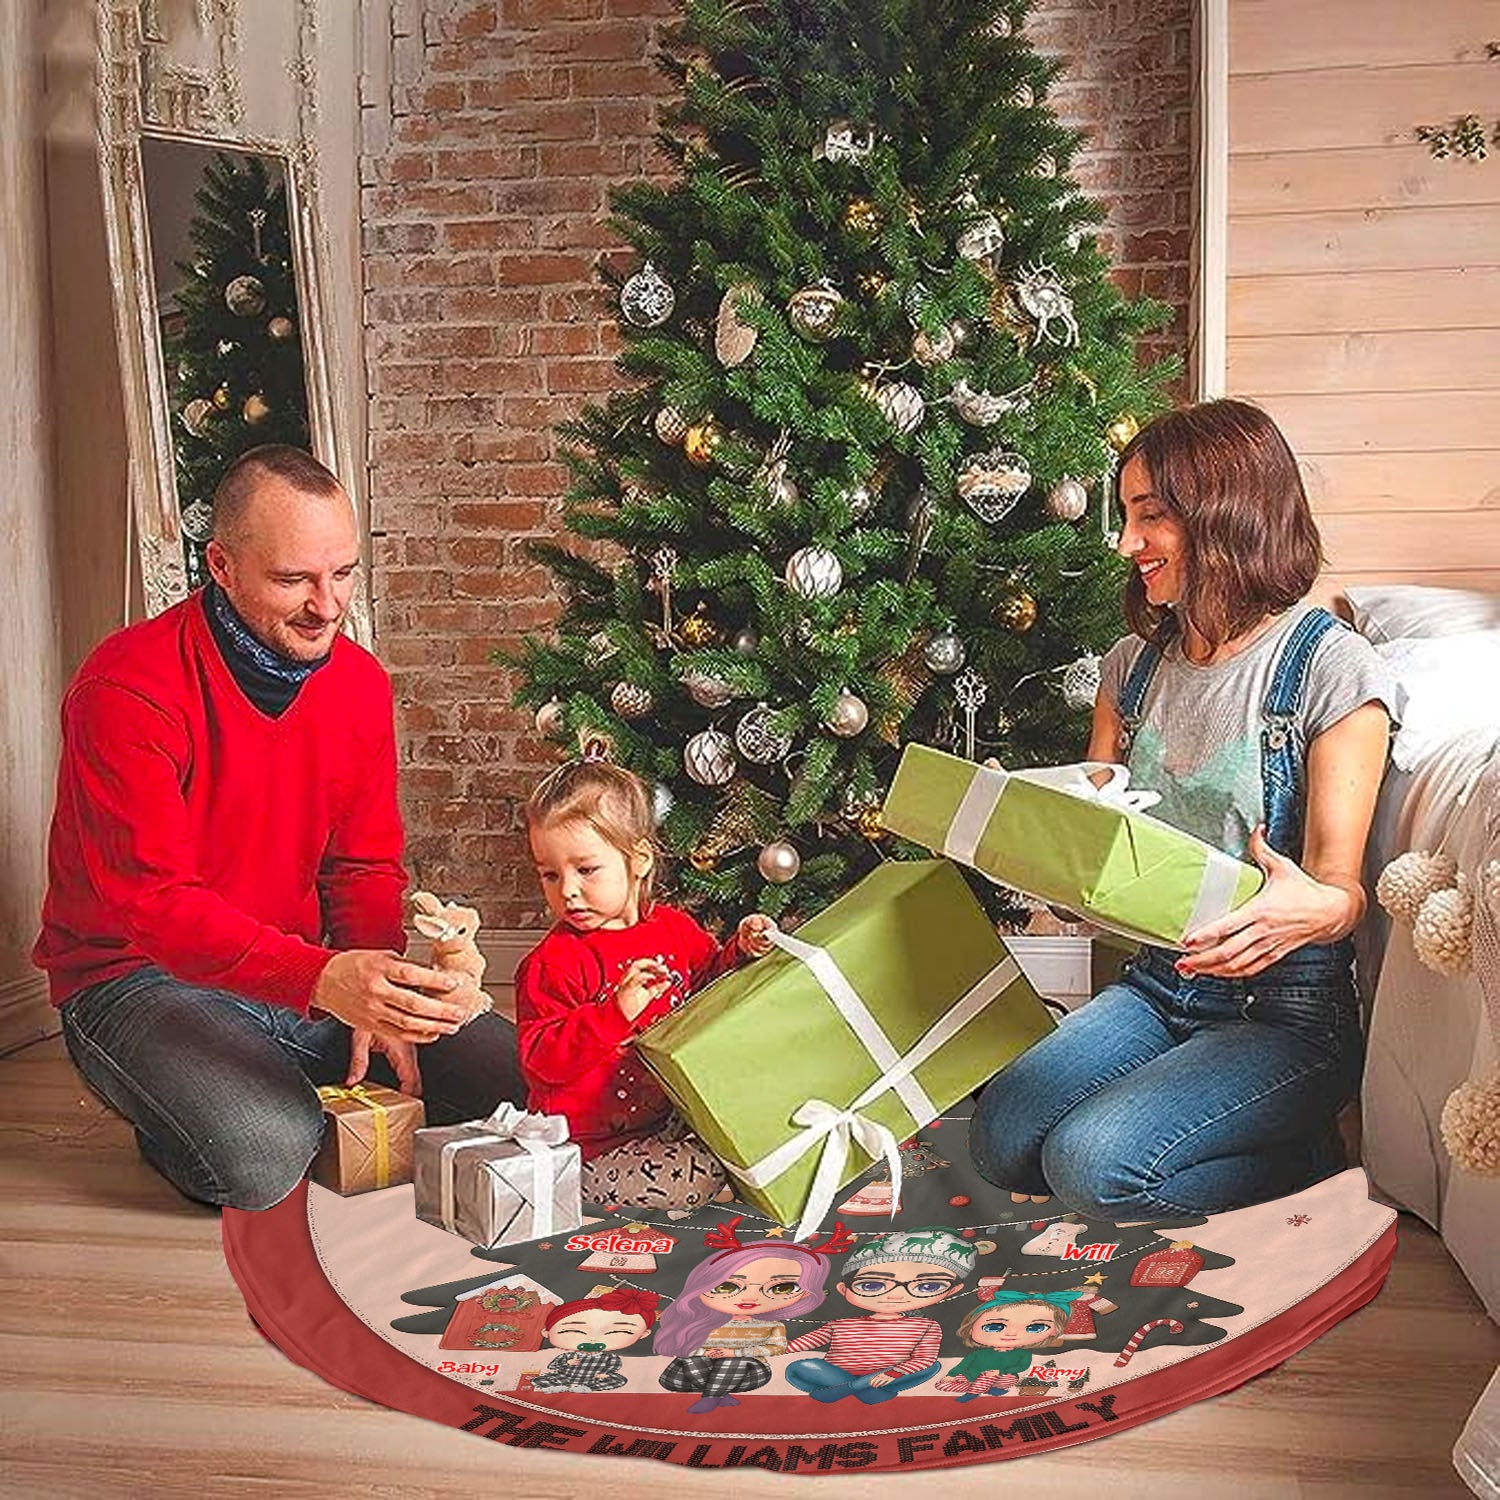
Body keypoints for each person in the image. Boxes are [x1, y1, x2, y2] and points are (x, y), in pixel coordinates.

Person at [34, 446, 521, 1210]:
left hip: (296, 972)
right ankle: (188, 1105)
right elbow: (154, 905)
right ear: (221, 566)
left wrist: (374, 987)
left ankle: (261, 1074)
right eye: (294, 579)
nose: (328, 605)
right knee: (265, 1160)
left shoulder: (359, 684)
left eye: (344, 573)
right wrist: (325, 983)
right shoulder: (126, 688)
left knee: (516, 1079)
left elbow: (362, 866)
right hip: (131, 979)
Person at [970, 399, 1397, 1220]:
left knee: (1091, 1167)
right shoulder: (1131, 667)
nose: (1127, 545)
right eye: (1126, 515)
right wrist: (1036, 847)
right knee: (1002, 1137)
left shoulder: (1330, 666)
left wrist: (1317, 904)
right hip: (1157, 983)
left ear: (1225, 516)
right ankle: (1200, 1127)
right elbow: (1091, 854)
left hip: (1282, 1012)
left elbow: (1342, 891)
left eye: (1150, 517)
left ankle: (1309, 1159)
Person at [515, 749, 777, 1210]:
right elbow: (540, 1059)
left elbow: (708, 985)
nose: (568, 891)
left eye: (586, 869)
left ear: (637, 860)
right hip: (587, 1149)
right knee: (695, 1178)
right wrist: (612, 1014)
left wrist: (741, 949)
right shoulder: (553, 963)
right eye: (550, 875)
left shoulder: (673, 929)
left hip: (665, 1118)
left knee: (751, 1132)